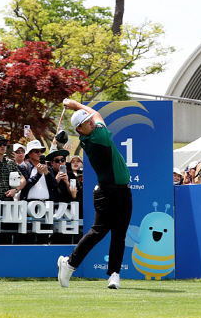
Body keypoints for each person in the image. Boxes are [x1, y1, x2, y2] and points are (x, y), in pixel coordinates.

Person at [58, 99, 132, 290]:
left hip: (123, 191)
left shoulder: (92, 134)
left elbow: (94, 116)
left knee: (119, 235)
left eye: (90, 120)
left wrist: (79, 109)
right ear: (80, 130)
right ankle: (70, 264)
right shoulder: (98, 137)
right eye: (87, 122)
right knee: (98, 232)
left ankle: (114, 274)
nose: (92, 122)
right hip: (106, 193)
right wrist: (77, 105)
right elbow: (98, 114)